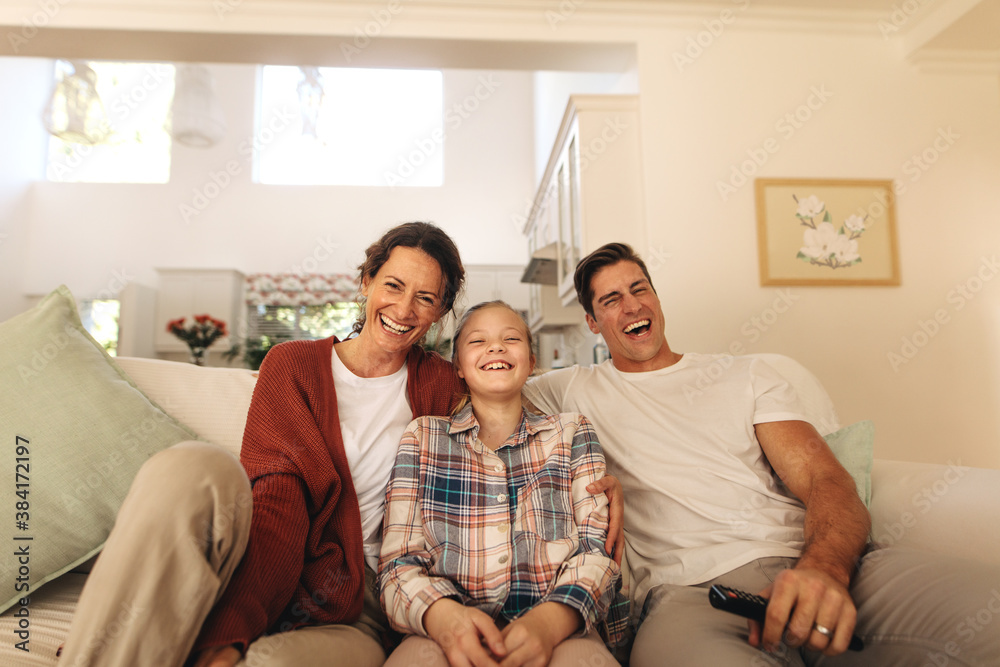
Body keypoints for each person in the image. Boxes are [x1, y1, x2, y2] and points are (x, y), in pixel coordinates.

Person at [521, 242, 1000, 666]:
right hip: (693, 598)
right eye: (611, 300)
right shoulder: (573, 388)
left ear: (657, 298)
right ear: (592, 322)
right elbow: (471, 385)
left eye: (639, 289)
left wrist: (823, 570)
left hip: (817, 561)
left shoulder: (746, 374)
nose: (632, 306)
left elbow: (823, 480)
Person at [61, 222, 468, 667]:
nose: (404, 308)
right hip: (260, 560)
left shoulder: (443, 385)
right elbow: (279, 498)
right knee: (190, 466)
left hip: (357, 600)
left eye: (425, 298)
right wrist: (233, 623)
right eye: (393, 285)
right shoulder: (293, 365)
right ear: (367, 282)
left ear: (440, 312)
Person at [378, 301, 626, 667]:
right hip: (443, 627)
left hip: (560, 625)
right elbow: (398, 563)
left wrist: (551, 620)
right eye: (478, 341)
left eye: (511, 338)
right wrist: (443, 617)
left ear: (531, 360)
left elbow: (596, 551)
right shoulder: (423, 437)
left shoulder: (571, 431)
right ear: (458, 367)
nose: (496, 347)